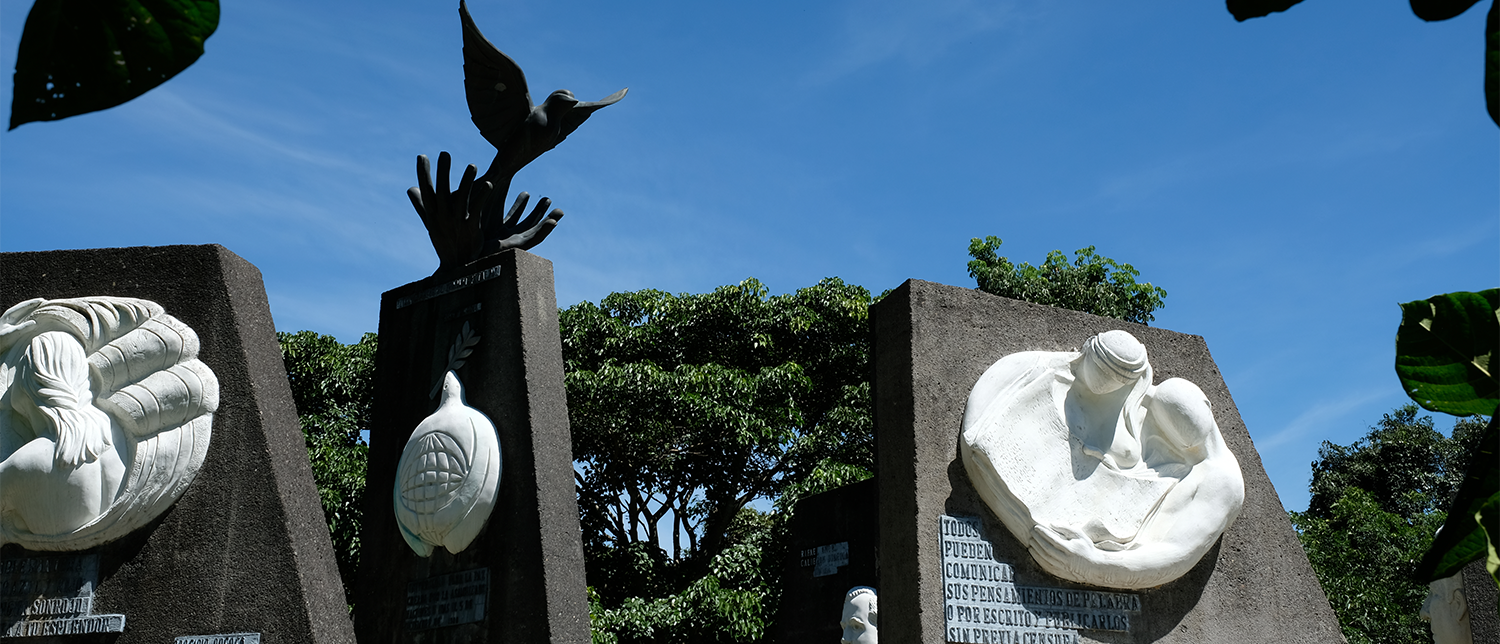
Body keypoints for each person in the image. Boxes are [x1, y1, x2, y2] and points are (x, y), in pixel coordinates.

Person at [961, 331, 1244, 589]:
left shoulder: (1221, 483)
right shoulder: (1154, 401)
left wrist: (1090, 565)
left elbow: (1175, 554)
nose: (1144, 406)